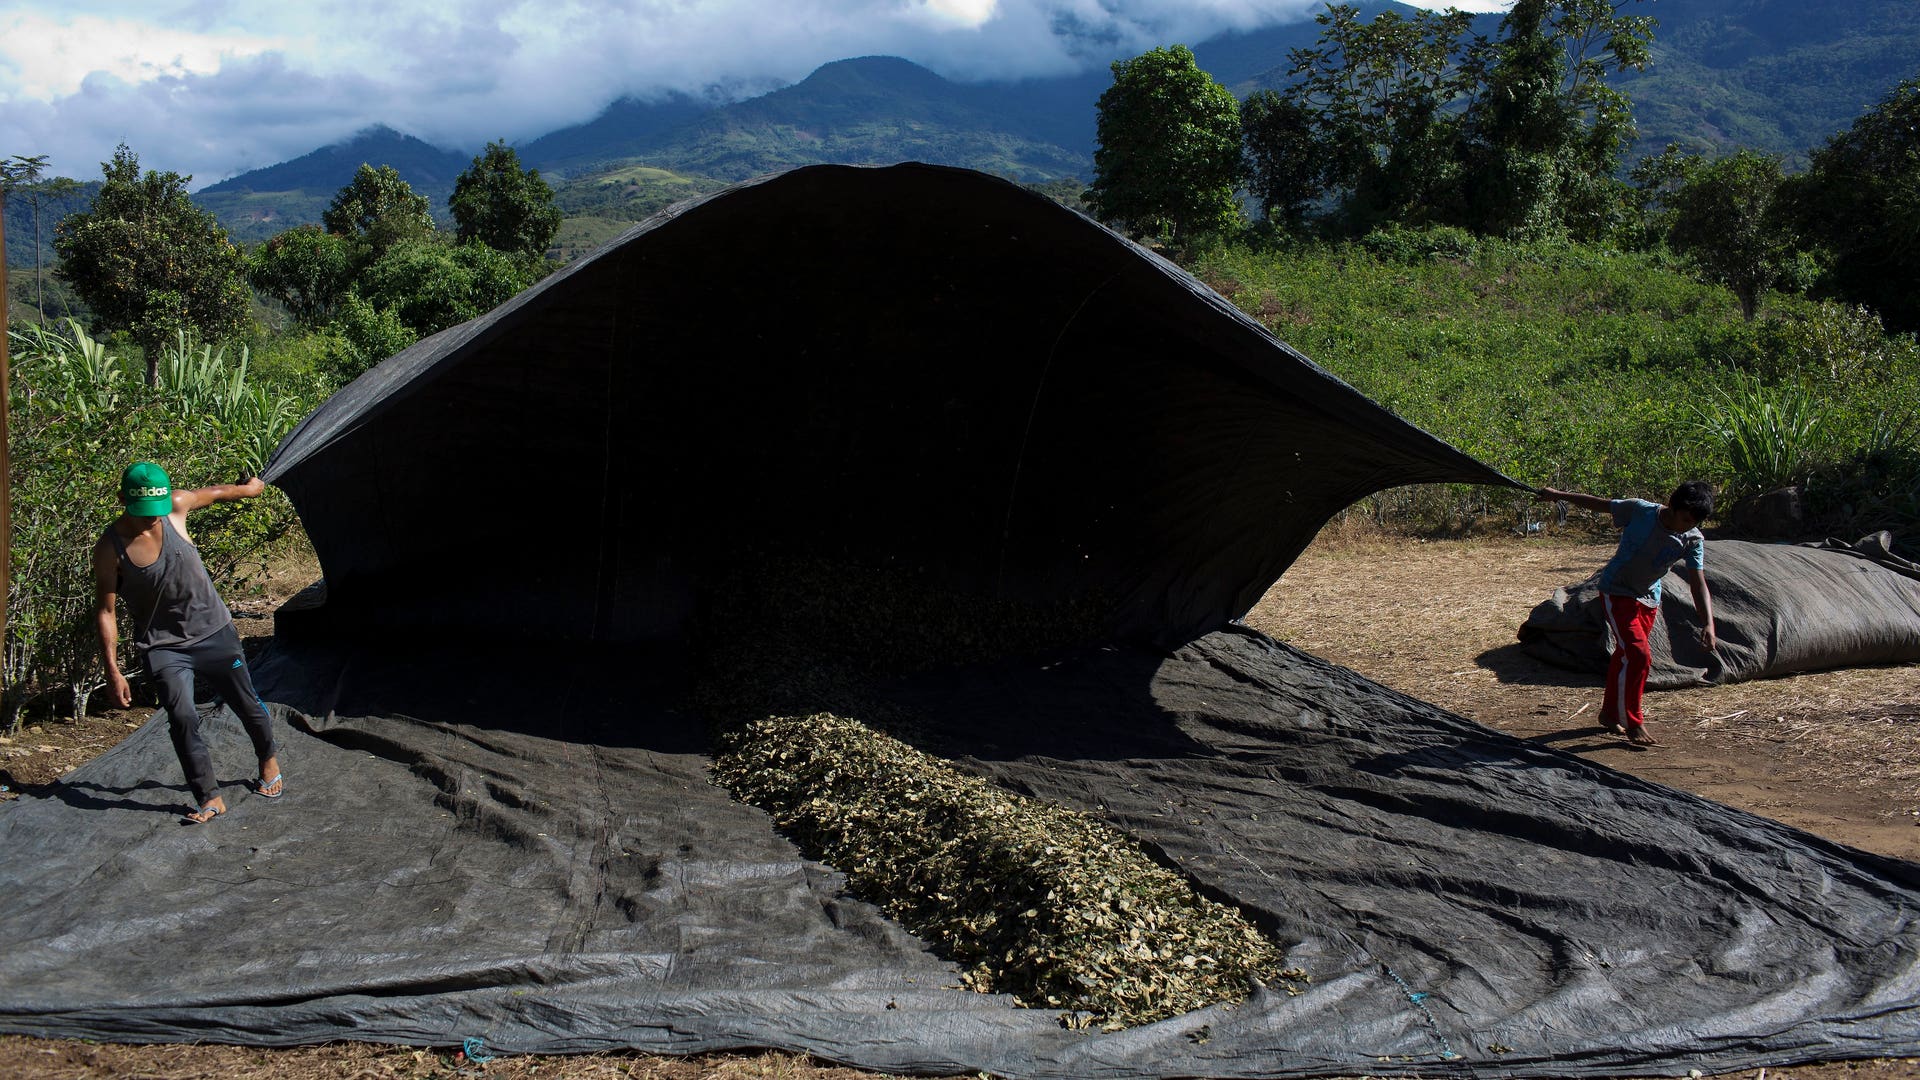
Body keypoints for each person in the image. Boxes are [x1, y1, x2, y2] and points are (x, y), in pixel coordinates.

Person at [93, 461, 281, 824]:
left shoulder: (176, 507)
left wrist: (250, 489)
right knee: (181, 717)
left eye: (157, 510)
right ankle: (209, 796)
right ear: (122, 500)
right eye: (144, 512)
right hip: (163, 646)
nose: (153, 519)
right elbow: (105, 610)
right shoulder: (110, 548)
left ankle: (268, 757)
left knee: (246, 702)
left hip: (214, 631)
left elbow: (215, 493)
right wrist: (112, 671)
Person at [1534, 480, 1718, 746]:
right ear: (1674, 506)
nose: (1689, 526)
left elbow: (1698, 582)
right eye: (1687, 519)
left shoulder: (1692, 539)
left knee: (1625, 655)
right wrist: (1558, 495)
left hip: (1648, 598)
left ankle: (1610, 714)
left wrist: (1708, 624)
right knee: (1639, 655)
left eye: (1695, 522)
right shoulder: (1641, 511)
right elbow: (1599, 504)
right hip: (1617, 591)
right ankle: (1633, 721)